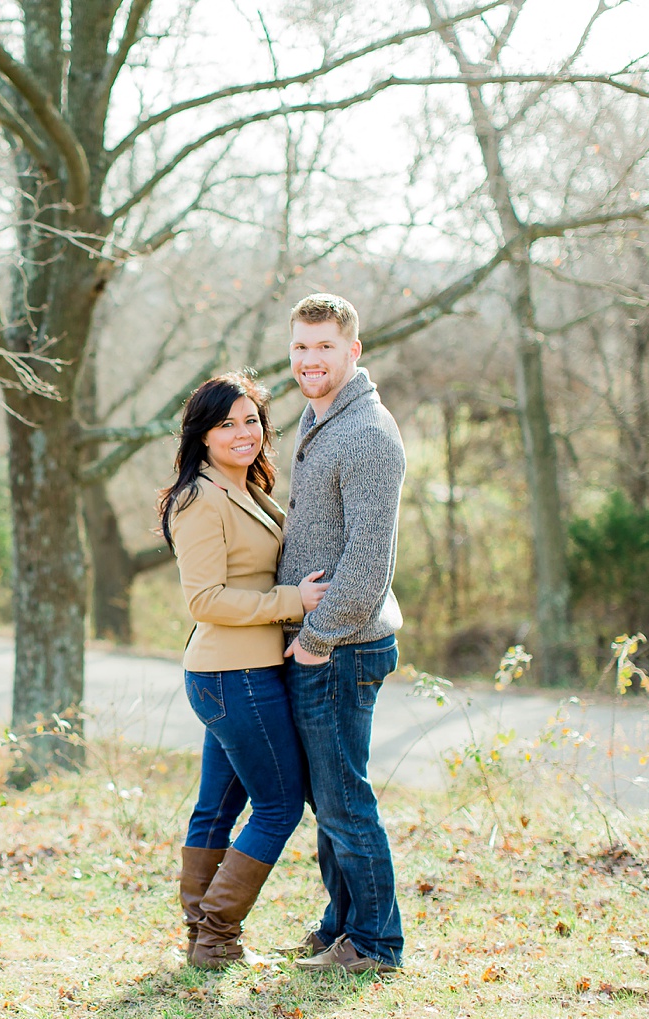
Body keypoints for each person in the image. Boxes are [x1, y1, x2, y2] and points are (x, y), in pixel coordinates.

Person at [158, 372, 329, 970]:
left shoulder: (245, 488)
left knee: (217, 808)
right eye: (225, 423)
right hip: (235, 676)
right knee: (279, 807)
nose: (242, 432)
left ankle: (200, 937)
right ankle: (217, 936)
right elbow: (204, 599)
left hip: (235, 674)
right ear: (202, 435)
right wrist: (292, 603)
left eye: (250, 420)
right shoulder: (200, 499)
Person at [276, 293, 406, 975]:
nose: (309, 360)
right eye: (300, 347)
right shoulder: (320, 414)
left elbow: (368, 562)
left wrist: (316, 637)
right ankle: (341, 926)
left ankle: (378, 942)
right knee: (327, 796)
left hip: (343, 647)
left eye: (323, 346)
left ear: (352, 351)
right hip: (323, 641)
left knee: (344, 796)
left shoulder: (369, 433)